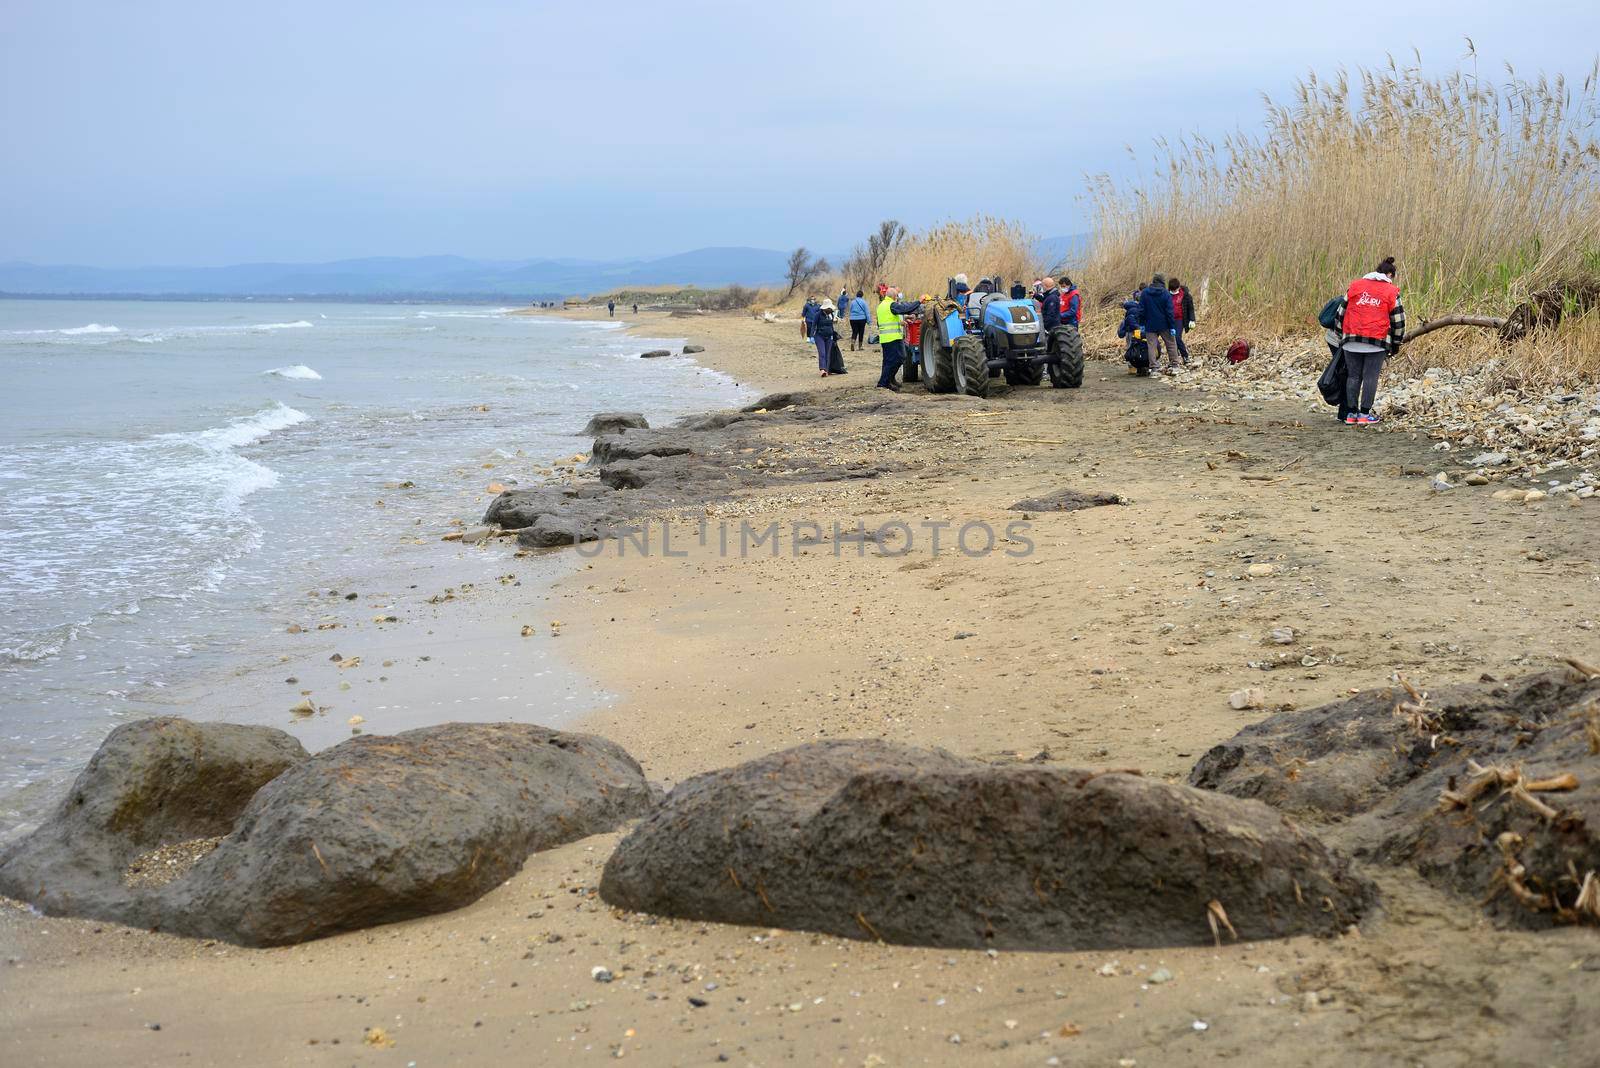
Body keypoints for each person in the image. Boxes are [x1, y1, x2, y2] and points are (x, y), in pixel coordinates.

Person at [1334, 256, 1405, 424]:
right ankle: (1365, 415)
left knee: (1353, 377)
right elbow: (1399, 321)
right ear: (1389, 274)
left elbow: (1340, 314)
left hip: (1351, 340)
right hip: (1377, 341)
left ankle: (1351, 415)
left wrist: (1341, 337)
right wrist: (1395, 343)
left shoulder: (1355, 286)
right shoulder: (1391, 291)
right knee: (1370, 378)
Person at [874, 285, 923, 391]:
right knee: (898, 358)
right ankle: (883, 382)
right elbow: (906, 308)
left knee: (888, 361)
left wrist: (900, 321)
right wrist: (919, 301)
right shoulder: (891, 305)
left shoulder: (882, 305)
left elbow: (886, 320)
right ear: (894, 297)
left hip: (885, 338)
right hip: (893, 338)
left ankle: (887, 381)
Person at [1137, 273, 1181, 373]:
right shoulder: (1166, 293)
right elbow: (1169, 312)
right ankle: (1174, 364)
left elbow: (1141, 310)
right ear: (1162, 281)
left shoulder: (1145, 293)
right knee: (1171, 344)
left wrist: (1142, 324)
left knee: (1151, 346)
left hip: (1150, 324)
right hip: (1164, 324)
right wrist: (1172, 326)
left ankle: (1153, 367)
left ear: (1153, 281)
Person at [1117, 296, 1151, 375]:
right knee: (1133, 348)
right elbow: (1131, 320)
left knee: (1132, 348)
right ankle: (1133, 367)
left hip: (1131, 331)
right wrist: (1138, 327)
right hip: (1133, 331)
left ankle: (1135, 367)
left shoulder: (1131, 308)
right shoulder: (1135, 309)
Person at [1168, 277, 1195, 364]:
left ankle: (1185, 356)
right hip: (1169, 320)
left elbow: (1190, 308)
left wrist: (1192, 320)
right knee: (1171, 340)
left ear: (1178, 287)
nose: (1174, 291)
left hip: (1180, 319)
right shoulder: (1167, 295)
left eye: (1175, 290)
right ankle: (1174, 359)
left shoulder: (1185, 295)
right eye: (1172, 290)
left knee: (1177, 337)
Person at [813, 299, 839, 376]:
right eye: (829, 308)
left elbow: (832, 325)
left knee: (828, 353)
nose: (830, 310)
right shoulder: (818, 315)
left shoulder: (831, 314)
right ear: (825, 308)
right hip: (819, 336)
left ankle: (826, 370)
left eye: (831, 308)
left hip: (829, 336)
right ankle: (822, 370)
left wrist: (835, 321)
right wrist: (811, 336)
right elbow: (813, 325)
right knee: (822, 353)